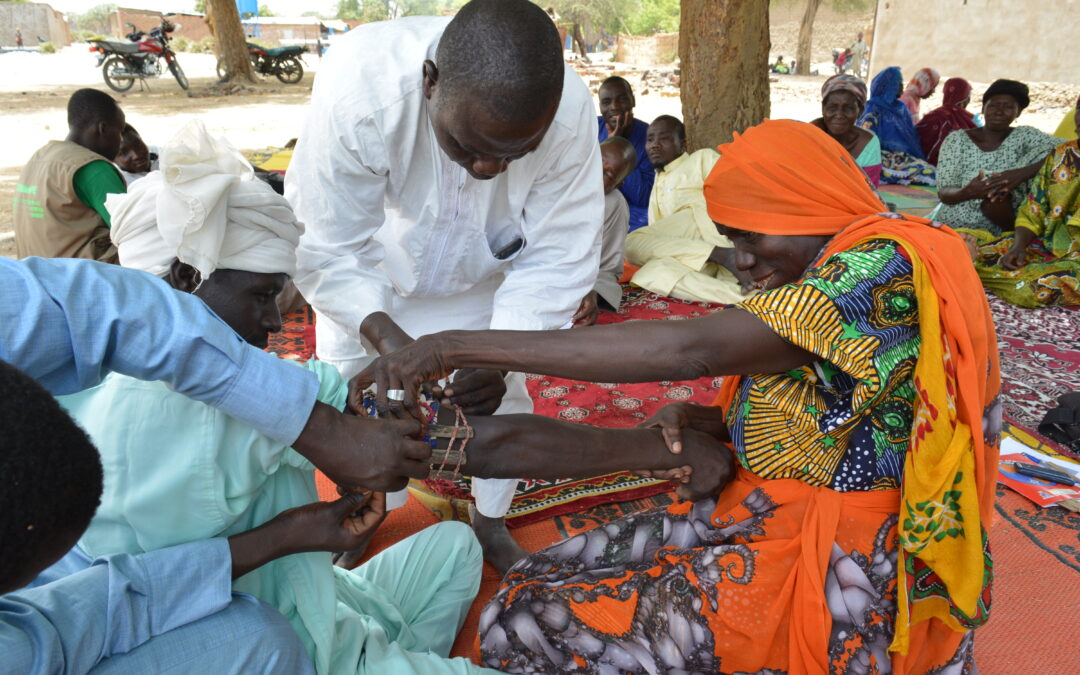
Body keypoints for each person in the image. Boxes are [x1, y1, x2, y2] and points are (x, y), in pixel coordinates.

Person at [357, 119, 1001, 674]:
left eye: (752, 236)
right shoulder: (840, 263)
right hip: (764, 507)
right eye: (731, 239)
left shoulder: (878, 267)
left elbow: (688, 349)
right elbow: (835, 402)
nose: (740, 262)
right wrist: (708, 421)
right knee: (533, 579)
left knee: (528, 620)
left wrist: (454, 347)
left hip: (839, 560)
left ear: (810, 206)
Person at [36, 123, 493, 674]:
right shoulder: (241, 405)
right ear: (186, 277)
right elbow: (475, 444)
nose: (276, 321)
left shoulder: (74, 389)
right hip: (290, 647)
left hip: (327, 606)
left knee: (454, 549)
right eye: (260, 295)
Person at [284, 0, 604, 573]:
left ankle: (489, 520)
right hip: (367, 276)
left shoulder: (568, 111)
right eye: (469, 146)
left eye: (515, 154)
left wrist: (499, 357)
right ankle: (368, 507)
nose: (487, 171)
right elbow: (327, 245)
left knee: (498, 403)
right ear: (430, 83)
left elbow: (559, 256)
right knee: (356, 402)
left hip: (487, 279)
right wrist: (391, 344)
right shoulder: (363, 88)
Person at [964, 95, 1080, 307]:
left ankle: (969, 269)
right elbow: (1033, 210)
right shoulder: (1062, 154)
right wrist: (1019, 247)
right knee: (963, 241)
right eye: (1079, 109)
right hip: (1044, 247)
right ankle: (968, 264)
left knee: (1028, 289)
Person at [624, 115, 747, 304]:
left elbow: (733, 192)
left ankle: (727, 256)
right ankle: (744, 297)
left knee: (697, 204)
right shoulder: (658, 181)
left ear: (682, 144)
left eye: (664, 138)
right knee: (649, 270)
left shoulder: (701, 159)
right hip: (696, 260)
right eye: (650, 140)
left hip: (719, 236)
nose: (655, 145)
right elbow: (660, 239)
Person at [936, 79, 1065, 234]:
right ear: (983, 108)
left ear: (1018, 112)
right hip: (956, 227)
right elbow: (944, 193)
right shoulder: (957, 140)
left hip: (1002, 225)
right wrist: (968, 191)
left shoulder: (1024, 136)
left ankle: (1016, 233)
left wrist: (1020, 174)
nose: (999, 111)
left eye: (1008, 107)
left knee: (1050, 153)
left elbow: (1070, 149)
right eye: (993, 105)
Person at [14, 88, 127, 262]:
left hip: (33, 275)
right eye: (119, 132)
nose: (120, 141)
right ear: (102, 128)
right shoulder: (93, 169)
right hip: (79, 280)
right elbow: (133, 232)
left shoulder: (39, 157)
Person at [575, 136, 637, 325]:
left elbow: (607, 270)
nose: (595, 175)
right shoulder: (551, 177)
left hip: (570, 284)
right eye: (596, 163)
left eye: (607, 176)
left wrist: (592, 292)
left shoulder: (613, 204)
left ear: (617, 184)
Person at [857, 67, 937, 186]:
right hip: (880, 157)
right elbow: (866, 141)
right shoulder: (873, 109)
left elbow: (911, 137)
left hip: (902, 157)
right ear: (889, 86)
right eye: (898, 83)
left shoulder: (900, 108)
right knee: (926, 174)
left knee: (931, 171)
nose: (902, 87)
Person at [596, 75, 655, 231]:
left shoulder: (650, 136)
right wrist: (611, 142)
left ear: (632, 101)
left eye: (621, 99)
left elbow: (643, 198)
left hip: (633, 213)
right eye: (606, 102)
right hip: (594, 204)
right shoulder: (591, 128)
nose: (614, 107)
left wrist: (620, 146)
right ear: (600, 106)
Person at [811, 73, 882, 186]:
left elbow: (870, 191)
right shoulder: (810, 135)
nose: (839, 115)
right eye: (832, 108)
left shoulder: (869, 144)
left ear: (860, 111)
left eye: (848, 108)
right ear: (823, 108)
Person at [916, 77, 977, 165]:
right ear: (963, 97)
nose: (969, 99)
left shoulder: (933, 116)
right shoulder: (966, 120)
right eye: (968, 95)